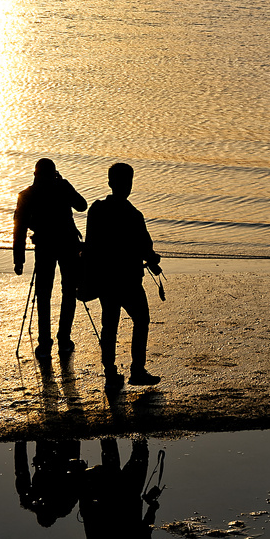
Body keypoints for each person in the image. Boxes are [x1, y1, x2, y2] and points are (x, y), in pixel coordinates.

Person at [85, 163, 164, 391]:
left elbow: (91, 247)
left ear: (110, 183)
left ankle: (110, 372)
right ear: (129, 185)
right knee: (141, 319)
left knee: (109, 324)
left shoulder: (97, 210)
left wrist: (87, 277)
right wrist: (153, 260)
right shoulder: (133, 215)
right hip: (129, 280)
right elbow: (145, 248)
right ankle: (137, 370)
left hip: (105, 279)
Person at [13, 159, 88, 362]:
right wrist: (64, 183)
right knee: (68, 292)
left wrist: (18, 259)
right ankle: (64, 340)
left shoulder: (27, 194)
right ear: (54, 173)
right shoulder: (61, 187)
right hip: (67, 243)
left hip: (45, 246)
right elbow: (82, 205)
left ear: (35, 174)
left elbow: (19, 228)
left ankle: (45, 343)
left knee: (44, 294)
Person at [15, 439, 86, 527]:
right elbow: (21, 470)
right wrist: (20, 443)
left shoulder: (31, 500)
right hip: (58, 458)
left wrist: (20, 443)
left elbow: (21, 471)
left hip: (53, 458)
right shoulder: (64, 506)